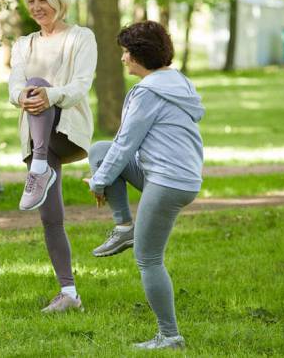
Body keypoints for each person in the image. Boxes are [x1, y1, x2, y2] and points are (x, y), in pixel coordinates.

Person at [85, 20, 204, 350]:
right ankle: (124, 226)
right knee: (100, 150)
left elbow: (127, 144)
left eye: (125, 52)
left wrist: (99, 183)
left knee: (148, 259)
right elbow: (117, 149)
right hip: (179, 176)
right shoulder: (177, 81)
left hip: (168, 182)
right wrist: (102, 174)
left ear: (139, 55)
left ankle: (170, 336)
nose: (123, 59)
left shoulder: (147, 92)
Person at [7, 0, 97, 312]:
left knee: (38, 82)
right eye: (30, 1)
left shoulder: (81, 37)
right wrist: (24, 97)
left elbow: (80, 86)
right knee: (50, 216)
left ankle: (41, 166)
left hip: (67, 128)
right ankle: (69, 293)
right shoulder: (23, 44)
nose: (36, 7)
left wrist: (47, 94)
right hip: (36, 133)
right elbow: (14, 87)